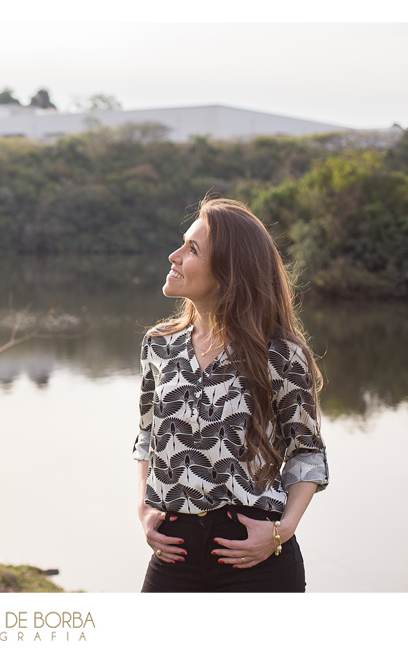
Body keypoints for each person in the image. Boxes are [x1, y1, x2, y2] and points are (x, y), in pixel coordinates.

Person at [134, 197, 329, 592]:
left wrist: (281, 533)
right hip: (175, 550)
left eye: (192, 250)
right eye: (182, 243)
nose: (174, 256)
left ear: (228, 272)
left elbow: (307, 453)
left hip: (255, 554)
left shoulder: (281, 354)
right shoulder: (159, 344)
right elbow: (146, 438)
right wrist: (144, 507)